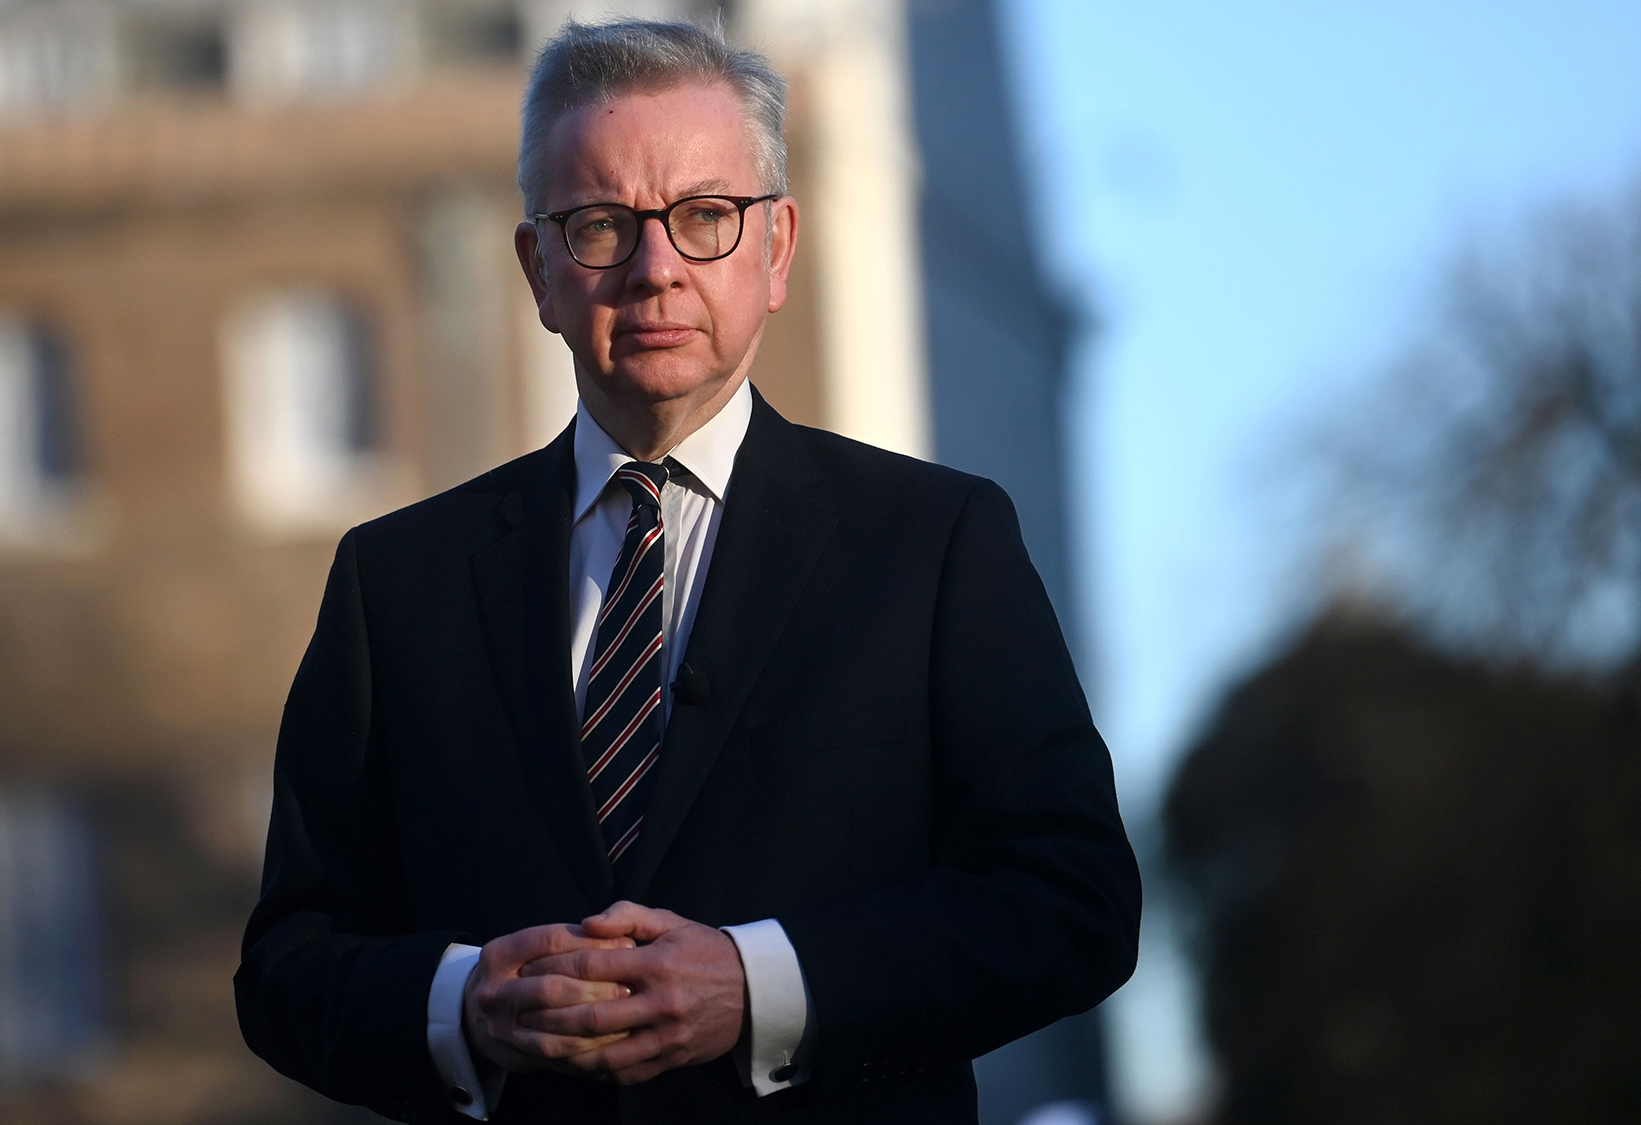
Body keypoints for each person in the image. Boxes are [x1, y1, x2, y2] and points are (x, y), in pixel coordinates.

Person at [236, 19, 1140, 1124]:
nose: (656, 268)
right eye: (602, 226)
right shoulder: (397, 583)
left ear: (778, 251)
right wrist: (462, 1003)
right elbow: (288, 966)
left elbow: (1071, 902)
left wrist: (759, 986)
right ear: (537, 270)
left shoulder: (935, 542)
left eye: (705, 218)